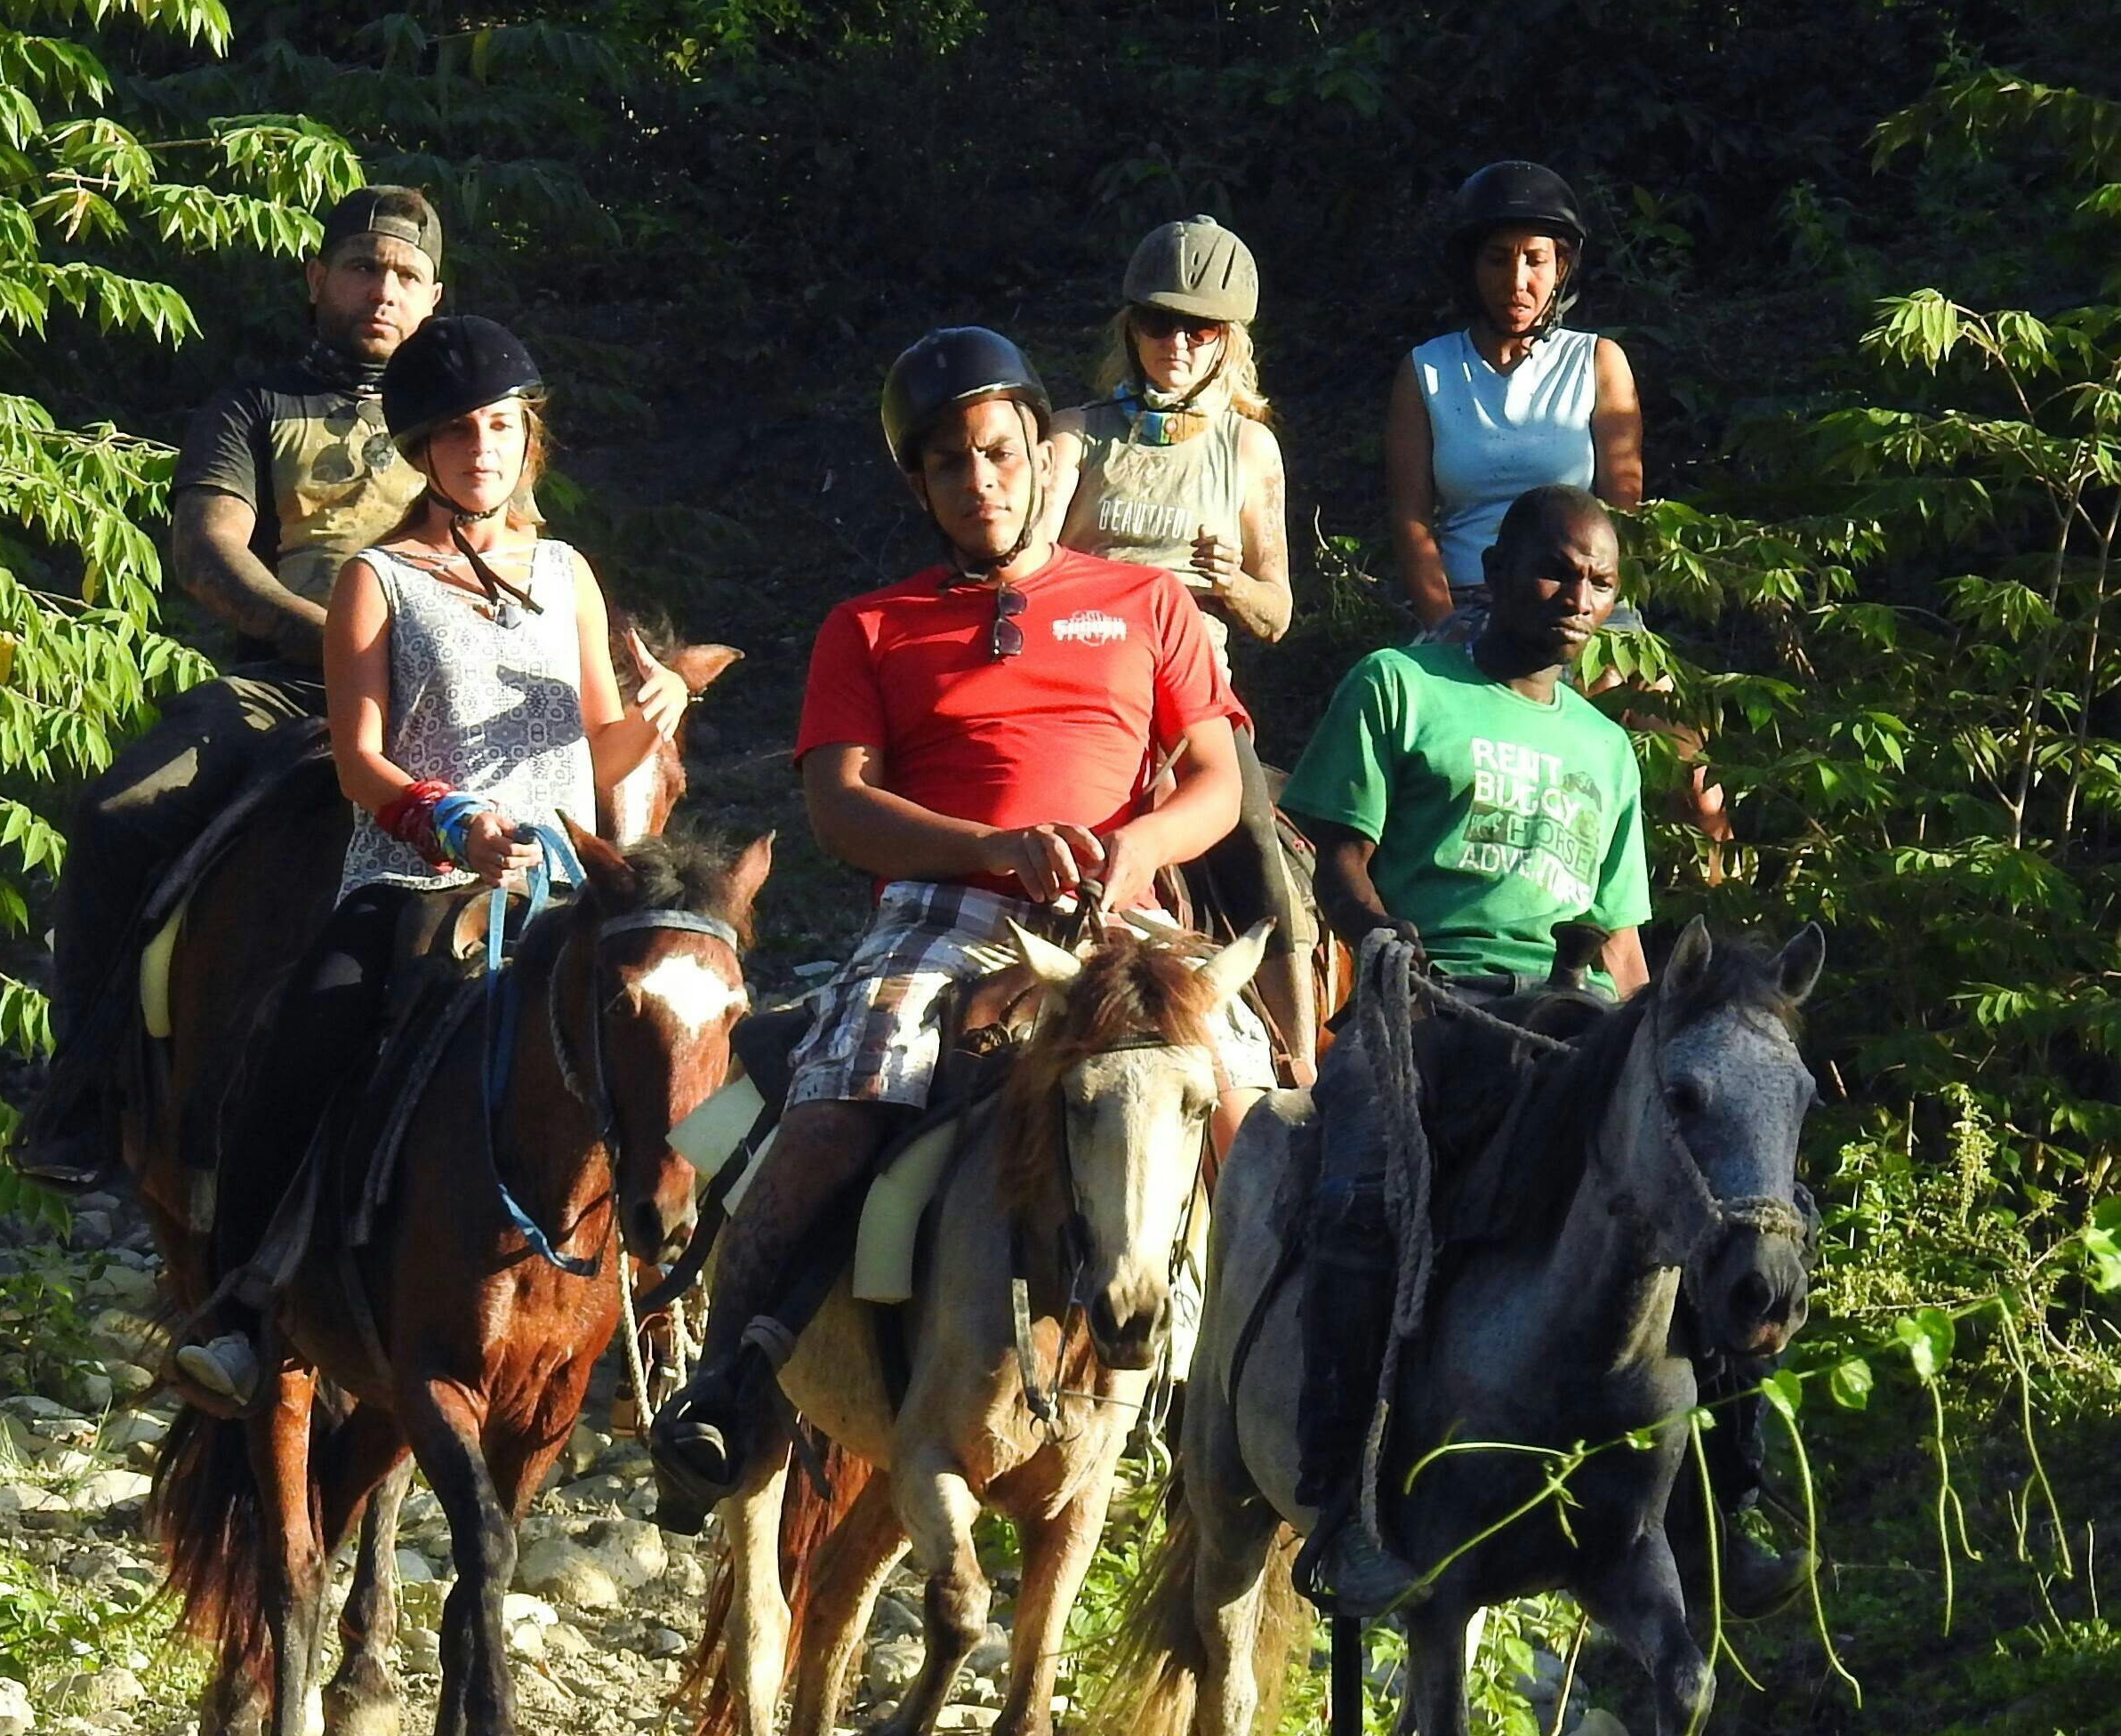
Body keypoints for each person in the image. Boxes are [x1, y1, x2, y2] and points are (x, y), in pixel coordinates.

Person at [647, 327, 1274, 1518]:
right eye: (947, 465)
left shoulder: (1144, 604)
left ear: (1043, 453)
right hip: (944, 909)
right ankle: (725, 1394)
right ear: (917, 485)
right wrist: (987, 849)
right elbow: (838, 808)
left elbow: (1212, 778)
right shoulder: (868, 626)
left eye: (995, 453)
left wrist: (1131, 850)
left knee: (1247, 1087)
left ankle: (1283, 1394)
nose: (978, 481)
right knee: (840, 1101)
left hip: (1118, 906)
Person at [1279, 485, 1794, 1617]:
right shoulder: (1399, 687)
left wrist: (1668, 1048)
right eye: (1556, 570)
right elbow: (1338, 861)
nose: (1577, 598)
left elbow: (1616, 938)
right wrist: (1382, 944)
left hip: (1563, 1021)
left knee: (1711, 1202)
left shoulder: (1606, 749)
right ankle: (1342, 1509)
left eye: (1600, 584)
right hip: (1421, 1002)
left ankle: (1716, 1505)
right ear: (1498, 567)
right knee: (1359, 1199)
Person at [173, 317, 690, 1410]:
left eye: (500, 426)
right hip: (415, 879)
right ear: (422, 450)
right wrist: (448, 823)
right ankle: (246, 1302)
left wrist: (660, 709)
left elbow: (601, 752)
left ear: (526, 439)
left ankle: (704, 1306)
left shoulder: (566, 572)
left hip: (559, 885)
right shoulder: (376, 579)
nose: (483, 448)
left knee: (695, 1029)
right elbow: (358, 760)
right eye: (458, 432)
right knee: (305, 1038)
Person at [16, 187, 447, 1184]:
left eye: (404, 275)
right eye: (360, 268)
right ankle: (80, 1098)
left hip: (438, 687)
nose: (381, 290)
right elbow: (211, 559)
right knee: (119, 812)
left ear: (432, 297)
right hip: (278, 689)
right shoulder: (249, 409)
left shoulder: (468, 422)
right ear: (316, 280)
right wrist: (336, 644)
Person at [1048, 215, 1322, 1082]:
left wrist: (1228, 582)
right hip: (1078, 681)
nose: (1175, 343)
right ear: (1127, 328)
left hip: (1193, 688)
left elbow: (1276, 612)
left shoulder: (1248, 448)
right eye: (1158, 323)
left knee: (1251, 844)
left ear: (1227, 341)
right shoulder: (1071, 435)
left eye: (1198, 329)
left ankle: (1300, 1066)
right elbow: (1018, 570)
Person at [1384, 162, 1643, 639]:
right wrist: (1445, 626)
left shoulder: (1598, 362)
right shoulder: (1427, 370)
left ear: (1561, 266)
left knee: (1662, 711)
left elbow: (1623, 514)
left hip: (1578, 605)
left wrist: (1597, 618)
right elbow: (1410, 518)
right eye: (1498, 259)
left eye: (1536, 260)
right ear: (1471, 267)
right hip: (1467, 603)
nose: (1517, 281)